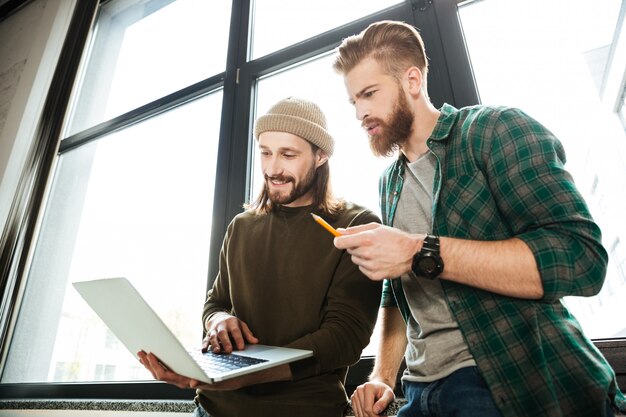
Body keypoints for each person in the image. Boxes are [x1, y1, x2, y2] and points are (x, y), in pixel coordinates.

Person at [331, 20, 626, 417]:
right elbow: (398, 294)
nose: (360, 112)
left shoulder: (493, 130)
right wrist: (383, 375)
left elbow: (580, 258)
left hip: (503, 380)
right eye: (353, 102)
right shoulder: (390, 183)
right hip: (417, 392)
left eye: (369, 94)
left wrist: (420, 250)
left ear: (412, 80)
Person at [138, 96, 382, 417]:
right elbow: (215, 303)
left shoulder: (357, 225)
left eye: (288, 154)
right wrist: (219, 321)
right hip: (212, 409)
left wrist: (237, 378)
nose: (273, 168)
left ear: (321, 155)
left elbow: (345, 338)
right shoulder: (241, 226)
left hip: (301, 411)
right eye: (265, 153)